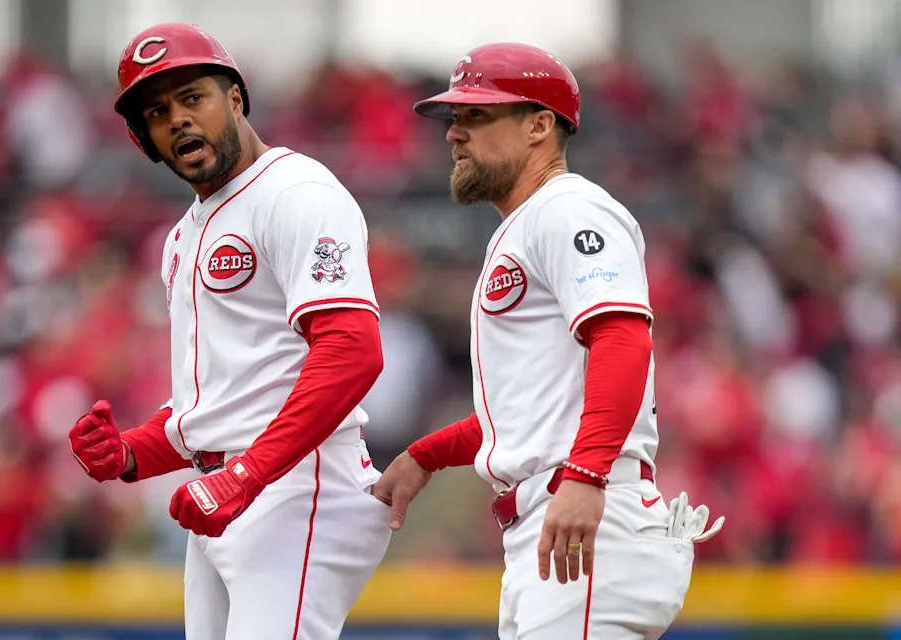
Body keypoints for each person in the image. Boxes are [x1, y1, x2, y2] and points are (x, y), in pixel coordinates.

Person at [372, 43, 724, 639]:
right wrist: (425, 455)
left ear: (539, 125)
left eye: (476, 116)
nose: (455, 134)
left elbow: (622, 339)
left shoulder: (569, 209)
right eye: (454, 119)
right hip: (555, 518)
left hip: (588, 514)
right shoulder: (528, 223)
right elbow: (529, 410)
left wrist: (586, 475)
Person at [68, 23, 391, 640]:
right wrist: (135, 451)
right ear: (145, 139)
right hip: (227, 488)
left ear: (235, 100)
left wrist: (248, 474)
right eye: (159, 112)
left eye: (194, 98)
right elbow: (217, 406)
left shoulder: (296, 192)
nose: (179, 120)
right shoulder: (182, 235)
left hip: (297, 483)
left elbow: (353, 352)